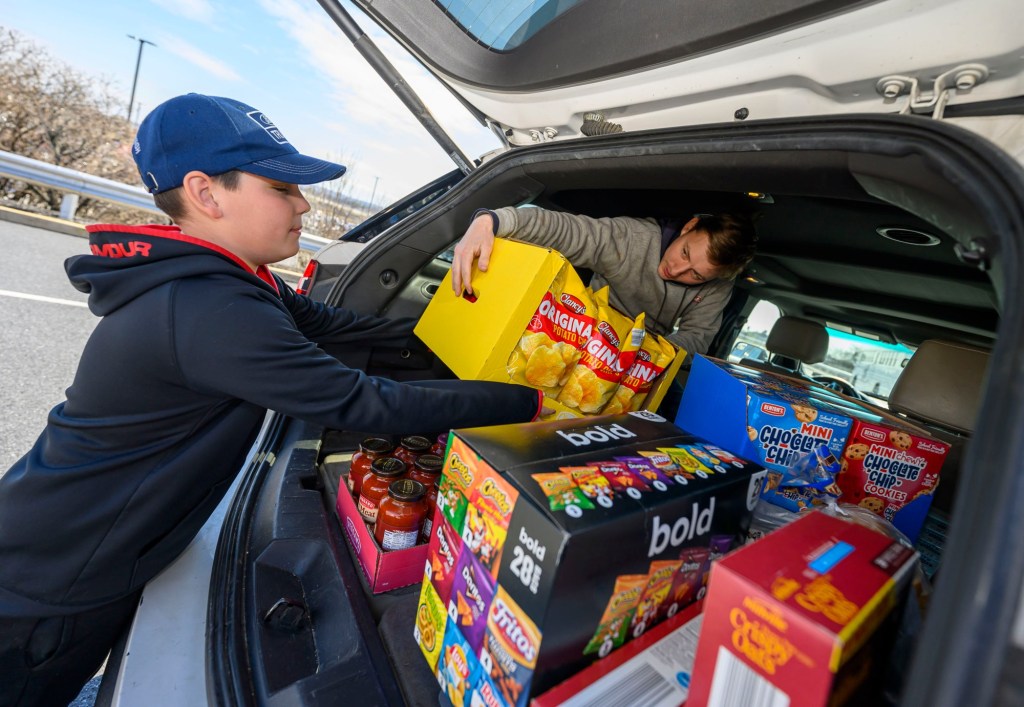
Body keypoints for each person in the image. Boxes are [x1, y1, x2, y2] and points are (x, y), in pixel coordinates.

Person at [0, 94, 543, 707]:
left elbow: (339, 329)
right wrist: (525, 403)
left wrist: (481, 338)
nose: (304, 203)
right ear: (206, 193)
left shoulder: (231, 280)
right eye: (283, 186)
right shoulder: (209, 309)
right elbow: (362, 403)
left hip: (70, 544)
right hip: (50, 581)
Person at [451, 206, 758, 358]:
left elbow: (696, 338)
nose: (678, 270)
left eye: (696, 275)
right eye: (685, 252)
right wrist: (490, 221)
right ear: (689, 226)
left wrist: (645, 355)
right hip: (579, 339)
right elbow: (568, 230)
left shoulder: (718, 286)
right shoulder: (632, 238)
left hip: (645, 361)